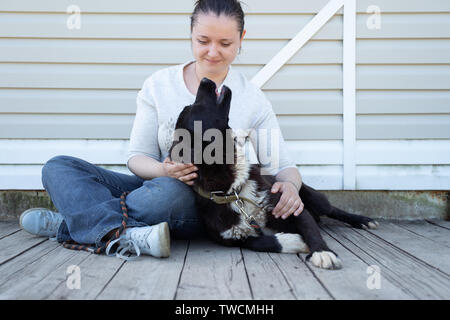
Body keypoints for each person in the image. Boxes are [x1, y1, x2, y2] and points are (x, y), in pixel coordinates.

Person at [19, 0, 304, 260]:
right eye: (203, 40)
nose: (213, 52)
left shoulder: (252, 98)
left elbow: (282, 166)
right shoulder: (159, 85)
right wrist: (164, 170)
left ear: (241, 39)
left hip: (202, 206)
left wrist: (290, 185)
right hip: (154, 184)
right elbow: (137, 158)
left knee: (167, 193)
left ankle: (74, 222)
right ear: (190, 34)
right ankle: (119, 232)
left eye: (225, 43)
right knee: (58, 167)